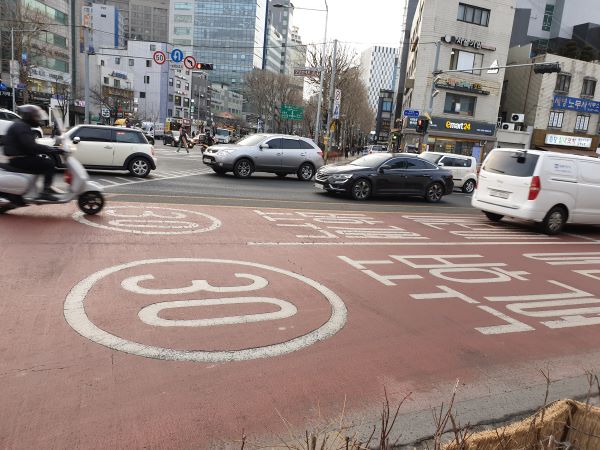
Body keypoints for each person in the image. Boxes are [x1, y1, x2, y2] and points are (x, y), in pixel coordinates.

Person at [4, 104, 60, 201]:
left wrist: (49, 149)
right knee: (48, 163)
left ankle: (38, 189)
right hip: (18, 159)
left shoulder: (22, 125)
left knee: (42, 160)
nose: (37, 119)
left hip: (19, 157)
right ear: (29, 116)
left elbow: (29, 145)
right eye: (35, 116)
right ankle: (45, 192)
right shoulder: (21, 127)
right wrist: (51, 149)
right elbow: (31, 146)